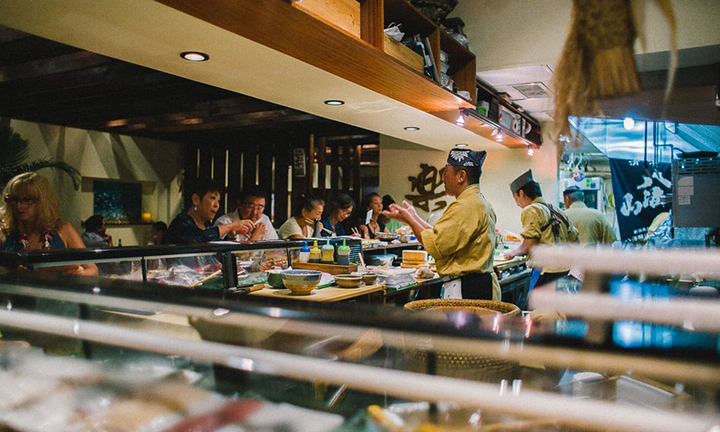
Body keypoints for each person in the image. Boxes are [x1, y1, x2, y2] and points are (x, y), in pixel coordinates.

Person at [383, 148, 500, 301]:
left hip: (468, 288)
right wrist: (412, 218)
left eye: (446, 172)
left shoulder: (467, 205)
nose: (443, 178)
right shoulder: (476, 201)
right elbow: (440, 235)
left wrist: (411, 220)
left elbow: (436, 244)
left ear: (461, 176)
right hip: (475, 284)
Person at [0, 172, 97, 275]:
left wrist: (76, 274)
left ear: (42, 201)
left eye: (27, 200)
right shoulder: (4, 233)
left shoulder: (63, 230)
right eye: (14, 200)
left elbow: (92, 269)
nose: (19, 206)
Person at [504, 169, 578, 296]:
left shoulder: (531, 210)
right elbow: (576, 241)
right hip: (564, 270)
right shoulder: (557, 210)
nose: (517, 204)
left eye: (515, 198)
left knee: (536, 310)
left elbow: (529, 245)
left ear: (521, 193)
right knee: (555, 311)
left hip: (545, 270)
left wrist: (512, 252)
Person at [163, 178, 253, 245]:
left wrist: (231, 236)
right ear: (196, 200)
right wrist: (231, 226)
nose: (216, 205)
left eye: (218, 201)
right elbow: (199, 238)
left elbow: (216, 248)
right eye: (213, 198)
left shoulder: (206, 226)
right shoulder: (181, 222)